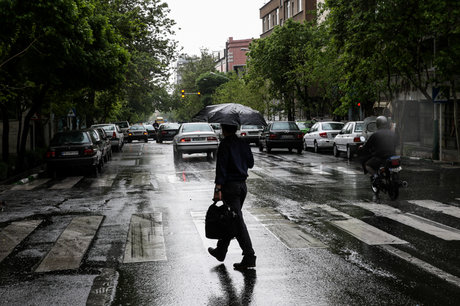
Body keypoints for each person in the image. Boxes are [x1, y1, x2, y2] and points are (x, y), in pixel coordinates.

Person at [208, 120, 256, 270]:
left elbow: (221, 169)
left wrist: (217, 189)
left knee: (237, 222)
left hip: (230, 188)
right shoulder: (243, 143)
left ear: (223, 128)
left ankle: (249, 256)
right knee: (232, 219)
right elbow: (251, 163)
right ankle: (221, 250)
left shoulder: (225, 145)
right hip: (242, 187)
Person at [359, 116, 397, 183]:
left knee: (367, 165)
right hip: (393, 156)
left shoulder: (375, 134)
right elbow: (397, 143)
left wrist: (362, 147)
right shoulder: (392, 133)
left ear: (377, 124)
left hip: (380, 157)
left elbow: (367, 146)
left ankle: (376, 176)